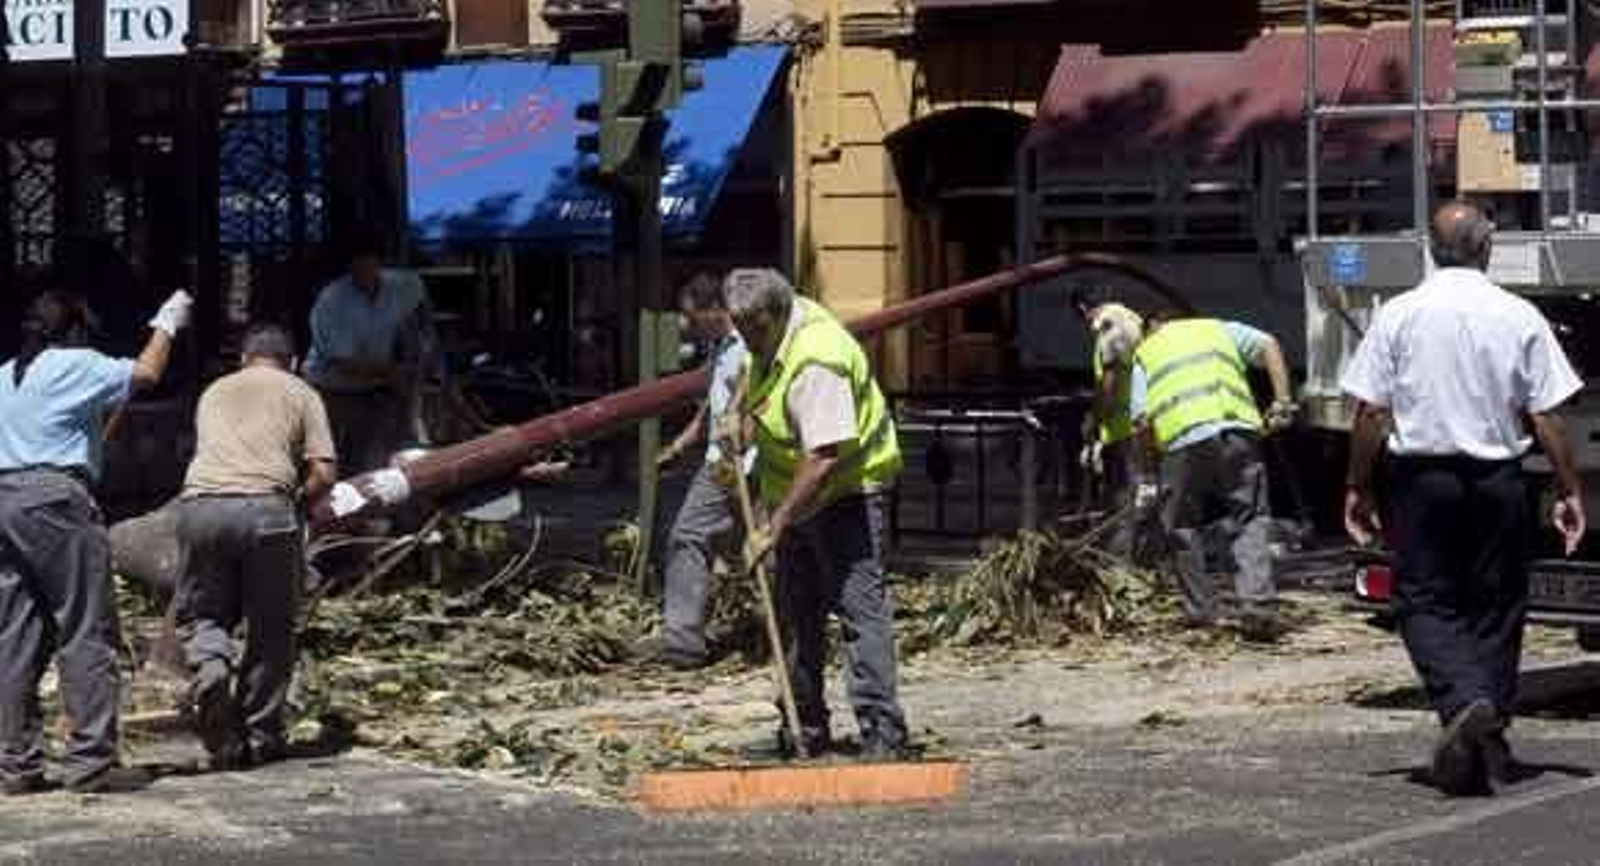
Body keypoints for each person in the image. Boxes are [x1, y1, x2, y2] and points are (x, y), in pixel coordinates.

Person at [1342, 201, 1585, 797]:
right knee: (1497, 605)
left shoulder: (1399, 314)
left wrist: (1358, 483)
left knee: (1422, 598)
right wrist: (1568, 486)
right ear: (1486, 249)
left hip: (1422, 479)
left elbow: (1372, 410)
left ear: (1431, 247)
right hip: (1497, 480)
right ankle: (1488, 733)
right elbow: (1545, 412)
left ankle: (1464, 702)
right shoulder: (1517, 314)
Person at [0, 287, 190, 795]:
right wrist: (166, 323)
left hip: (6, 501)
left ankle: (15, 765)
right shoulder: (73, 362)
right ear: (76, 329)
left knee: (16, 636)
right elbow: (146, 373)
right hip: (56, 501)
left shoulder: (4, 378)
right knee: (85, 628)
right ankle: (91, 762)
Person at [726, 268, 908, 758]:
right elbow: (753, 370)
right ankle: (802, 727)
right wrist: (740, 416)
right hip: (795, 497)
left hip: (846, 491)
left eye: (752, 331)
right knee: (794, 613)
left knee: (857, 613)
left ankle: (882, 732)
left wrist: (772, 525)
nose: (746, 340)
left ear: (774, 315)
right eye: (738, 330)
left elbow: (822, 458)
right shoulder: (768, 329)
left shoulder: (818, 362)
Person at [175, 324, 338, 770]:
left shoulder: (214, 391)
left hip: (200, 506)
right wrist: (299, 502)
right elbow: (323, 473)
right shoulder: (302, 391)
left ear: (243, 359)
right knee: (271, 628)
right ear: (294, 361)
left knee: (206, 612)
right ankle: (260, 735)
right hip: (268, 510)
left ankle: (211, 668)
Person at [1130, 308, 1296, 641]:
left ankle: (1201, 612)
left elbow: (1142, 421)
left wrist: (1148, 474)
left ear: (1152, 328)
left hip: (1181, 441)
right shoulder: (1217, 329)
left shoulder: (1146, 352)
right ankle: (1258, 608)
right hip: (1237, 430)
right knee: (1250, 516)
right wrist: (1282, 402)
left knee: (1180, 525)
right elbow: (1269, 345)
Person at [635, 274, 749, 669]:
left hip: (749, 464)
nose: (689, 325)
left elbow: (749, 396)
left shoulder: (750, 343)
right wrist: (683, 442)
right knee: (689, 535)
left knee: (768, 551)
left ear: (716, 310)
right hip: (719, 463)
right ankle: (683, 642)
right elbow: (713, 403)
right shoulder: (720, 346)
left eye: (692, 317)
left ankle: (791, 632)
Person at [303, 234, 436, 475]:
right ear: (349, 268)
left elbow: (422, 315)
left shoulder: (404, 285)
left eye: (369, 265)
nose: (363, 272)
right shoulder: (332, 300)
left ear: (380, 263)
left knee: (380, 456)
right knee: (336, 459)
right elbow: (343, 363)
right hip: (333, 387)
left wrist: (422, 353)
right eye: (357, 267)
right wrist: (395, 372)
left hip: (378, 384)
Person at [1073, 294, 1146, 556]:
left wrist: (1094, 419)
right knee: (1138, 496)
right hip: (1139, 422)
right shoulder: (1132, 317)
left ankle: (1121, 564)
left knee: (1124, 500)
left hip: (1125, 427)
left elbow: (1110, 382)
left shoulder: (1108, 325)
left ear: (1083, 308)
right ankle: (1137, 558)